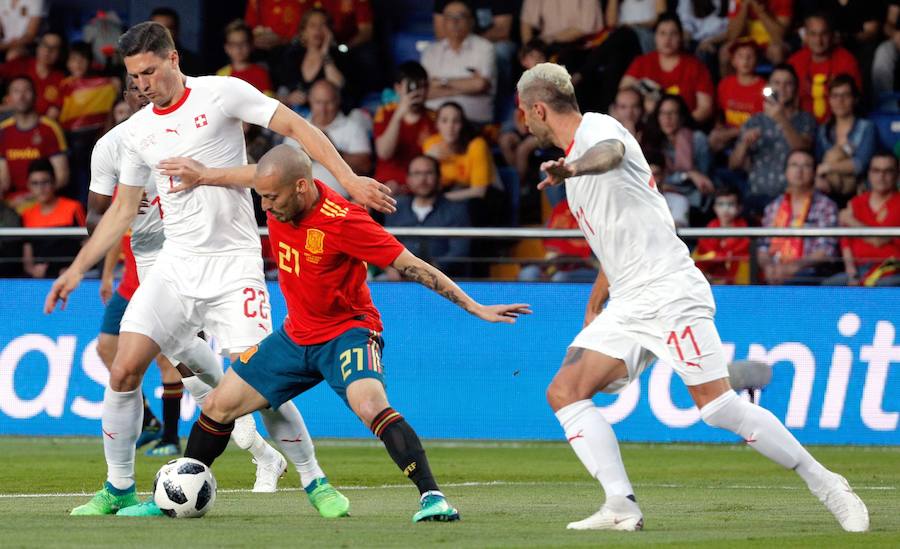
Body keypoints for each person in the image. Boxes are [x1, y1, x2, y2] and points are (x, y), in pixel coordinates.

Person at [44, 21, 394, 518]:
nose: (142, 84)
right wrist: (77, 269)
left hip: (234, 267)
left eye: (149, 71)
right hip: (175, 267)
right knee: (123, 369)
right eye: (133, 76)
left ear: (173, 60)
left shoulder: (221, 94)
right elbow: (121, 211)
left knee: (262, 384)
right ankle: (119, 488)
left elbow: (295, 127)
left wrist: (347, 178)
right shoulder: (136, 133)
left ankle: (314, 480)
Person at [516, 61, 868, 532]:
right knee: (564, 391)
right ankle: (620, 505)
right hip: (629, 299)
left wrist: (573, 167)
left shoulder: (596, 131)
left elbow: (612, 153)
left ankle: (828, 484)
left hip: (668, 289)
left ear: (539, 108)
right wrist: (596, 299)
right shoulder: (574, 170)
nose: (524, 123)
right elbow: (616, 238)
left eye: (524, 113)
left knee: (717, 408)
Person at [157, 144, 530, 522]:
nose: (266, 207)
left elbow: (411, 265)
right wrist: (203, 175)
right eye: (262, 196)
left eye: (271, 198)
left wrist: (474, 306)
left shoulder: (345, 221)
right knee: (219, 405)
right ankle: (178, 495)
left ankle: (433, 496)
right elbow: (249, 175)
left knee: (370, 405)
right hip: (295, 335)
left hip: (348, 333)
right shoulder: (276, 186)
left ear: (301, 186)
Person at [88, 76, 285, 465]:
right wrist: (107, 252)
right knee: (118, 350)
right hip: (140, 264)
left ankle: (192, 434)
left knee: (179, 356)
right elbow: (100, 216)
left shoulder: (185, 126)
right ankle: (251, 445)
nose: (142, 90)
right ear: (124, 96)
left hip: (188, 257)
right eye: (132, 85)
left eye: (147, 80)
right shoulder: (114, 146)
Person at [729, 64, 816, 219]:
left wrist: (780, 118)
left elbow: (803, 149)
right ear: (769, 86)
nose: (782, 88)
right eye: (777, 83)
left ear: (795, 89)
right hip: (756, 197)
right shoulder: (755, 120)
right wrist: (744, 144)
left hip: (791, 198)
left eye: (788, 84)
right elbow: (734, 165)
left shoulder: (805, 119)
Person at [757, 149, 840, 285]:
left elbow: (826, 250)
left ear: (814, 172)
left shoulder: (826, 206)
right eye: (794, 165)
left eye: (806, 166)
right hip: (774, 272)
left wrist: (794, 266)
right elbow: (763, 246)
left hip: (809, 274)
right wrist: (769, 266)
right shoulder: (774, 206)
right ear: (786, 172)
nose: (799, 171)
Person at [384, 154, 471, 277]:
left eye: (428, 173)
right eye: (417, 174)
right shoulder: (395, 208)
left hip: (443, 281)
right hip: (399, 280)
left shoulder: (456, 210)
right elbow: (386, 245)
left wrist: (430, 271)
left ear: (439, 178)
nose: (423, 179)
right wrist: (390, 268)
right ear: (408, 179)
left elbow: (459, 252)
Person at [620, 13, 714, 125]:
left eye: (673, 34)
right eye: (662, 33)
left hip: (684, 127)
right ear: (655, 36)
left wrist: (678, 125)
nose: (667, 39)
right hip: (647, 127)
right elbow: (623, 91)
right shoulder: (642, 62)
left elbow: (705, 108)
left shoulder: (695, 66)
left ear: (681, 37)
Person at [284, 79, 371, 197]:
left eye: (328, 103)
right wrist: (302, 157)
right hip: (301, 203)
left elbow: (366, 167)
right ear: (310, 100)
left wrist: (330, 150)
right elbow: (283, 170)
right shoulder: (296, 127)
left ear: (338, 101)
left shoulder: (352, 127)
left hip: (342, 203)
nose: (323, 109)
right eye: (318, 102)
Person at [827, 152, 900, 286]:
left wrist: (850, 220)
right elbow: (846, 244)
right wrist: (851, 272)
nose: (881, 176)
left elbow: (878, 240)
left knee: (887, 285)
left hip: (891, 270)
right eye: (876, 170)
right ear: (869, 174)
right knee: (831, 284)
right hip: (859, 270)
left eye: (887, 171)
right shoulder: (856, 202)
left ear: (897, 174)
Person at [58, 41, 118, 204]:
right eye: (73, 59)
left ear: (90, 61)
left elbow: (109, 114)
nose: (78, 64)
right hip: (70, 141)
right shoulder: (64, 85)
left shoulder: (106, 85)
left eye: (82, 59)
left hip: (96, 140)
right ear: (67, 62)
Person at [422, 1, 496, 125]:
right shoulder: (431, 52)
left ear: (471, 21)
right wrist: (468, 86)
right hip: (433, 123)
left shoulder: (485, 48)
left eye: (460, 17)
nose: (454, 22)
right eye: (449, 17)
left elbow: (481, 84)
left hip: (474, 123)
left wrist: (441, 83)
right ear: (443, 22)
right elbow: (424, 91)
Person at [0, 75, 68, 207]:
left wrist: (32, 197)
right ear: (8, 99)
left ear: (35, 95)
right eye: (16, 91)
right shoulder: (3, 130)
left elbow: (62, 176)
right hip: (11, 204)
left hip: (43, 202)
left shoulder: (49, 128)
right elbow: (3, 178)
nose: (21, 96)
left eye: (26, 90)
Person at [641, 94, 714, 216]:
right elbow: (653, 177)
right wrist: (687, 175)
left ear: (682, 117)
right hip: (661, 197)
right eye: (663, 113)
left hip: (694, 200)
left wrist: (673, 181)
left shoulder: (697, 139)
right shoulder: (652, 142)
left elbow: (703, 179)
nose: (667, 119)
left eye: (672, 113)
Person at [814, 74, 877, 208]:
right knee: (833, 155)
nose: (840, 101)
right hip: (828, 190)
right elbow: (818, 164)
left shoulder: (866, 127)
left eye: (845, 95)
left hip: (859, 190)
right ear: (829, 100)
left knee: (833, 155)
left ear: (855, 99)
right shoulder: (823, 130)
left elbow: (860, 164)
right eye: (835, 96)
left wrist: (829, 166)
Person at [373, 61, 437, 194]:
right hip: (387, 185)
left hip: (422, 186)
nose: (417, 92)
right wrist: (399, 114)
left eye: (422, 86)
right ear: (398, 88)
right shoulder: (385, 113)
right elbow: (384, 153)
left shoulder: (435, 118)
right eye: (412, 86)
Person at [788, 13, 862, 124]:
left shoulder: (847, 60)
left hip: (836, 125)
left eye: (824, 34)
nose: (818, 40)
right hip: (802, 126)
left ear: (832, 35)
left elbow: (855, 101)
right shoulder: (795, 61)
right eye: (813, 34)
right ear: (806, 36)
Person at [276, 8, 348, 113]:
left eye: (323, 25)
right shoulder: (292, 56)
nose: (318, 30)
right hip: (295, 114)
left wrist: (325, 53)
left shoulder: (338, 56)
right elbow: (277, 92)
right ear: (303, 32)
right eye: (313, 25)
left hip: (327, 115)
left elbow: (338, 85)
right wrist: (289, 98)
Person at [21, 158, 84, 278]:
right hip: (40, 279)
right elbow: (27, 256)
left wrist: (75, 269)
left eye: (45, 182)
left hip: (71, 277)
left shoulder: (73, 208)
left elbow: (88, 243)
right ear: (28, 186)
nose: (41, 188)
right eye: (35, 183)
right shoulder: (26, 215)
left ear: (54, 182)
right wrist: (33, 271)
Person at [423, 101, 494, 202]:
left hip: (477, 198)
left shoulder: (477, 145)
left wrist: (440, 200)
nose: (450, 126)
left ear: (462, 125)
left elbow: (480, 191)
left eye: (456, 121)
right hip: (446, 195)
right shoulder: (430, 144)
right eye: (444, 120)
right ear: (437, 124)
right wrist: (427, 159)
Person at [709, 38, 765, 153]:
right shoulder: (725, 84)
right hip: (727, 132)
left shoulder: (765, 87)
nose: (745, 60)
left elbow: (763, 123)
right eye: (740, 56)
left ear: (757, 60)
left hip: (752, 135)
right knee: (712, 139)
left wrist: (731, 133)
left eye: (750, 56)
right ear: (733, 61)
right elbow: (719, 112)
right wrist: (718, 126)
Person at [692, 185, 751, 284]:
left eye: (730, 204)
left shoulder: (746, 235)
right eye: (721, 204)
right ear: (714, 208)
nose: (725, 209)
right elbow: (699, 263)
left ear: (739, 208)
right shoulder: (706, 234)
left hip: (738, 289)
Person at [0, 30, 66, 118]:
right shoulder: (21, 63)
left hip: (38, 125)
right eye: (45, 45)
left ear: (60, 53)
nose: (48, 51)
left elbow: (53, 114)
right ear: (38, 47)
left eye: (54, 48)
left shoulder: (60, 79)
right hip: (9, 118)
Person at [721, 0, 791, 73]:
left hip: (771, 43)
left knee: (777, 51)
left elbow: (779, 37)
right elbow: (732, 36)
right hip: (746, 42)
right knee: (725, 52)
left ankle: (778, 82)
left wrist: (759, 11)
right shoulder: (736, 1)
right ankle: (729, 84)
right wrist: (745, 7)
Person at [216, 19, 273, 96]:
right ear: (227, 48)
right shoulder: (222, 75)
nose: (238, 48)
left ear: (251, 45)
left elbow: (268, 102)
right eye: (233, 44)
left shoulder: (261, 74)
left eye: (243, 43)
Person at [150, 7, 203, 76]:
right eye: (157, 29)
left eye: (168, 28)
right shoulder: (138, 61)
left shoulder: (194, 63)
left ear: (177, 30)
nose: (162, 33)